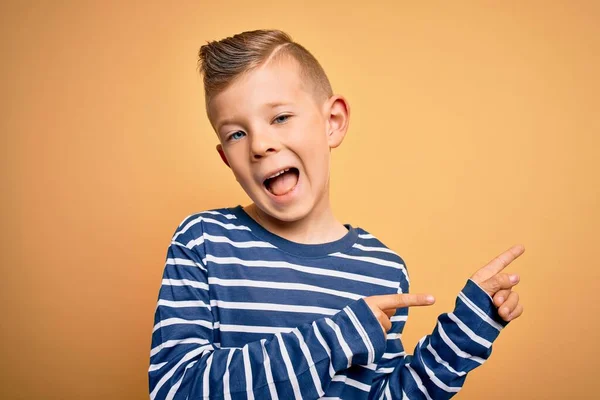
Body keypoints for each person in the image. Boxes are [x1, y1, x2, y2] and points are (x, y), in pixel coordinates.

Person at [148, 29, 524, 400]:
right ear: (226, 158)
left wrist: (463, 338)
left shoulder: (384, 270)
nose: (260, 145)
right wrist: (333, 340)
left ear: (333, 121)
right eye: (236, 134)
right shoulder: (204, 241)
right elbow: (175, 390)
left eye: (279, 118)